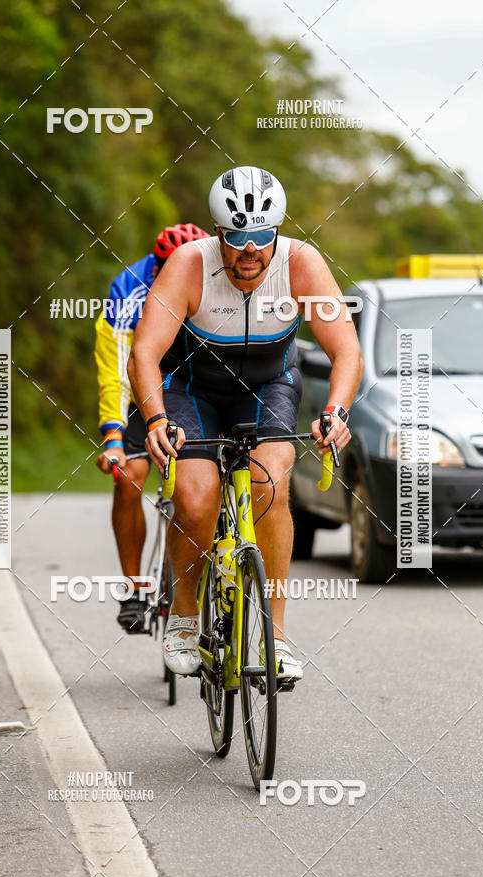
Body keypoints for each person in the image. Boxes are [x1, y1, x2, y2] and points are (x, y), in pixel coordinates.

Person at [128, 166, 364, 678]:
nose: (251, 249)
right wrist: (156, 419)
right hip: (191, 389)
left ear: (277, 230)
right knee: (194, 499)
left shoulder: (302, 264)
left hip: (267, 387)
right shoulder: (189, 266)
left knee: (271, 485)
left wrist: (336, 412)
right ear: (219, 233)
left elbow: (345, 349)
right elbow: (144, 352)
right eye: (238, 237)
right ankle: (186, 617)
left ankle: (274, 640)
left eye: (263, 235)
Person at [94, 223, 209, 633]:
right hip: (139, 389)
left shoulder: (215, 276)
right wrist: (112, 434)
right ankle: (134, 589)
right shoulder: (129, 287)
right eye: (166, 269)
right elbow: (116, 367)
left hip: (196, 386)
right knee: (128, 476)